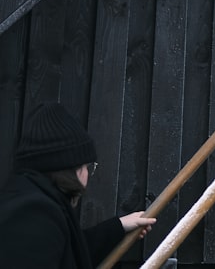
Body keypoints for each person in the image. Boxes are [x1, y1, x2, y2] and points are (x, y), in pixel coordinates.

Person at [0, 102, 157, 268]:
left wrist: (118, 226)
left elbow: (69, 254)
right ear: (71, 168)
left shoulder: (31, 203)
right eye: (88, 166)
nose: (88, 173)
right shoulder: (33, 213)